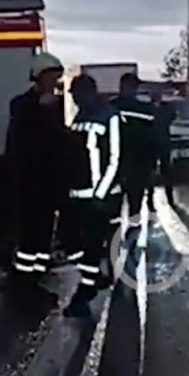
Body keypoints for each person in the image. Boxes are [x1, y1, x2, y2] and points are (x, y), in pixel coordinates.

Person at [3, 52, 67, 307]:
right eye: (52, 76)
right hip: (30, 186)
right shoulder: (24, 105)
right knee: (30, 240)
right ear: (39, 77)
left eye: (57, 77)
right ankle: (22, 285)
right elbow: (26, 145)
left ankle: (35, 282)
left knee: (42, 240)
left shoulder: (55, 105)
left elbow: (59, 142)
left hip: (48, 185)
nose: (55, 82)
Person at [60, 74, 122, 318]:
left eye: (77, 94)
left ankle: (83, 295)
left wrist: (101, 194)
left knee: (92, 246)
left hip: (100, 197)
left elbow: (115, 158)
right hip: (78, 193)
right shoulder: (80, 117)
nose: (75, 99)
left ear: (90, 92)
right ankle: (94, 277)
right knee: (69, 240)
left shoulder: (110, 116)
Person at [111, 73, 159, 221]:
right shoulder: (145, 109)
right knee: (132, 206)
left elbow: (152, 139)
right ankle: (131, 229)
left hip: (123, 163)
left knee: (119, 207)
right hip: (133, 163)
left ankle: (121, 230)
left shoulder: (111, 107)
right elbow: (152, 138)